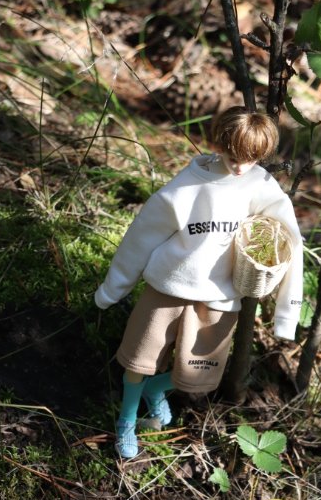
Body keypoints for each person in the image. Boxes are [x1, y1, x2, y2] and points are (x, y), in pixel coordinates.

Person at [95, 106, 304, 459]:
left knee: (194, 373)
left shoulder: (261, 188)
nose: (239, 166)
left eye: (250, 159)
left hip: (220, 297)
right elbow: (142, 235)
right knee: (138, 360)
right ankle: (126, 421)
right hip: (168, 287)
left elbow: (290, 244)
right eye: (234, 155)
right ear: (221, 142)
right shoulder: (188, 185)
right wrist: (114, 287)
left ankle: (153, 392)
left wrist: (287, 314)